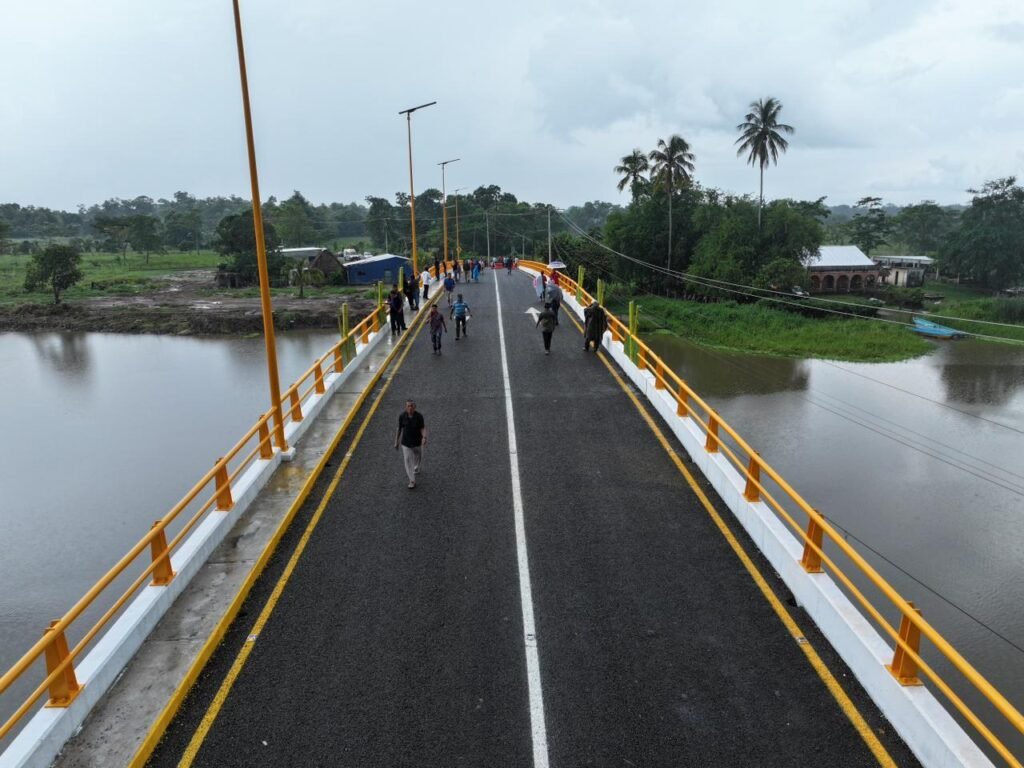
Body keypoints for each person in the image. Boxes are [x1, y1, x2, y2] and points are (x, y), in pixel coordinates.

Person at [394, 400, 426, 489]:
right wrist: (396, 441)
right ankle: (412, 480)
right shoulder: (402, 416)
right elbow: (399, 429)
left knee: (418, 455)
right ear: (406, 407)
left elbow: (422, 428)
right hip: (406, 443)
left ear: (415, 407)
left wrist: (424, 437)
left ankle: (416, 466)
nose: (410, 407)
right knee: (407, 460)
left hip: (417, 442)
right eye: (408, 406)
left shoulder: (419, 416)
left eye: (411, 406)